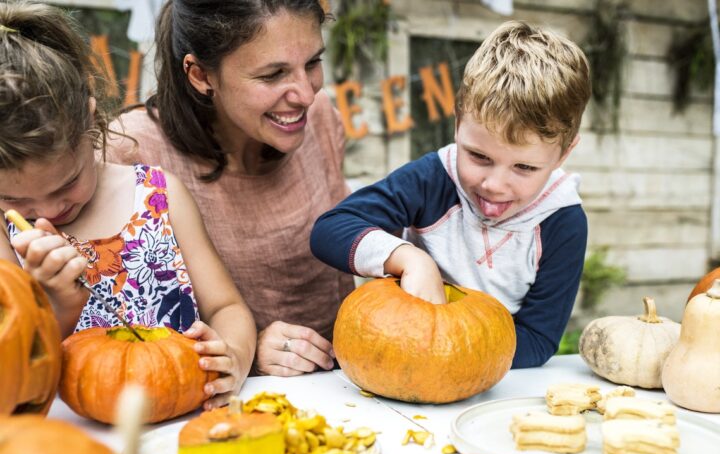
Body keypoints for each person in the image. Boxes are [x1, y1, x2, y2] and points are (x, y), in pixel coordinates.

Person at [0, 2, 256, 409]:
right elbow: (14, 373)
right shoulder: (4, 239)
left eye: (67, 182)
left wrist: (234, 356)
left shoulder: (158, 196)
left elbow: (226, 306)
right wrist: (57, 303)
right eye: (15, 200)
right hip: (73, 440)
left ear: (92, 122)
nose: (47, 212)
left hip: (183, 419)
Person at [311, 21, 592, 369]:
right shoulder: (433, 179)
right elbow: (331, 229)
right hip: (402, 356)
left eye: (524, 168)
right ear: (458, 124)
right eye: (479, 156)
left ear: (563, 154)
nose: (494, 184)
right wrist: (411, 259)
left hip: (487, 383)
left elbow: (538, 339)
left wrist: (449, 354)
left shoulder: (563, 222)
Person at [105, 0, 355, 377]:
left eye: (313, 63)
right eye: (273, 74)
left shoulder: (320, 118)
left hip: (347, 390)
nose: (306, 94)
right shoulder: (130, 154)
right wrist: (243, 352)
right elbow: (110, 338)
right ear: (201, 75)